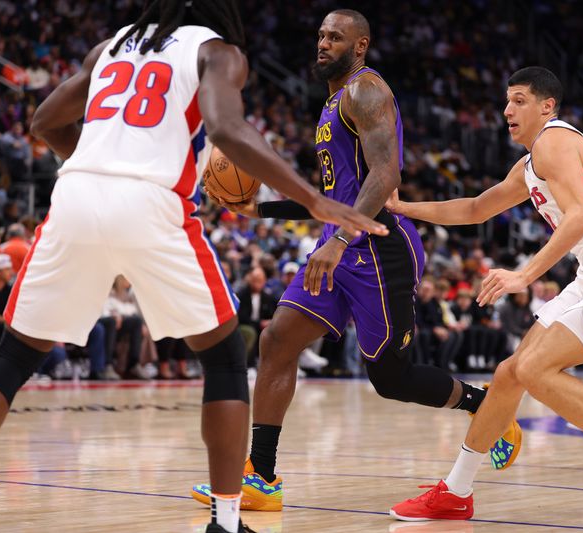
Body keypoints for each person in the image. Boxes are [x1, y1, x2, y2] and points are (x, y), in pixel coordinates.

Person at [0, 2, 387, 532]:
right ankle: (225, 521)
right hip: (153, 201)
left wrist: (105, 160)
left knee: (12, 357)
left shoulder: (110, 46)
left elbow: (43, 121)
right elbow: (225, 129)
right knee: (223, 358)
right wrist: (311, 198)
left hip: (76, 191)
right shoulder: (218, 51)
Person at [192, 9, 522, 513]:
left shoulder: (367, 91)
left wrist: (339, 241)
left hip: (376, 247)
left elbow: (386, 173)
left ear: (360, 46)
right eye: (320, 35)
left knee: (391, 378)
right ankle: (261, 474)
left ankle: (489, 409)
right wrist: (258, 208)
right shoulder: (330, 105)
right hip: (338, 243)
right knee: (278, 339)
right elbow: (329, 195)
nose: (322, 43)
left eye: (335, 37)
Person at [386, 67, 583, 523]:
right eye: (506, 101)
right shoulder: (530, 164)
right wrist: (403, 207)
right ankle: (456, 492)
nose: (507, 110)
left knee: (534, 368)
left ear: (547, 106)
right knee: (508, 374)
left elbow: (581, 217)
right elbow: (477, 208)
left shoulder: (554, 141)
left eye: (518, 100)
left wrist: (523, 276)